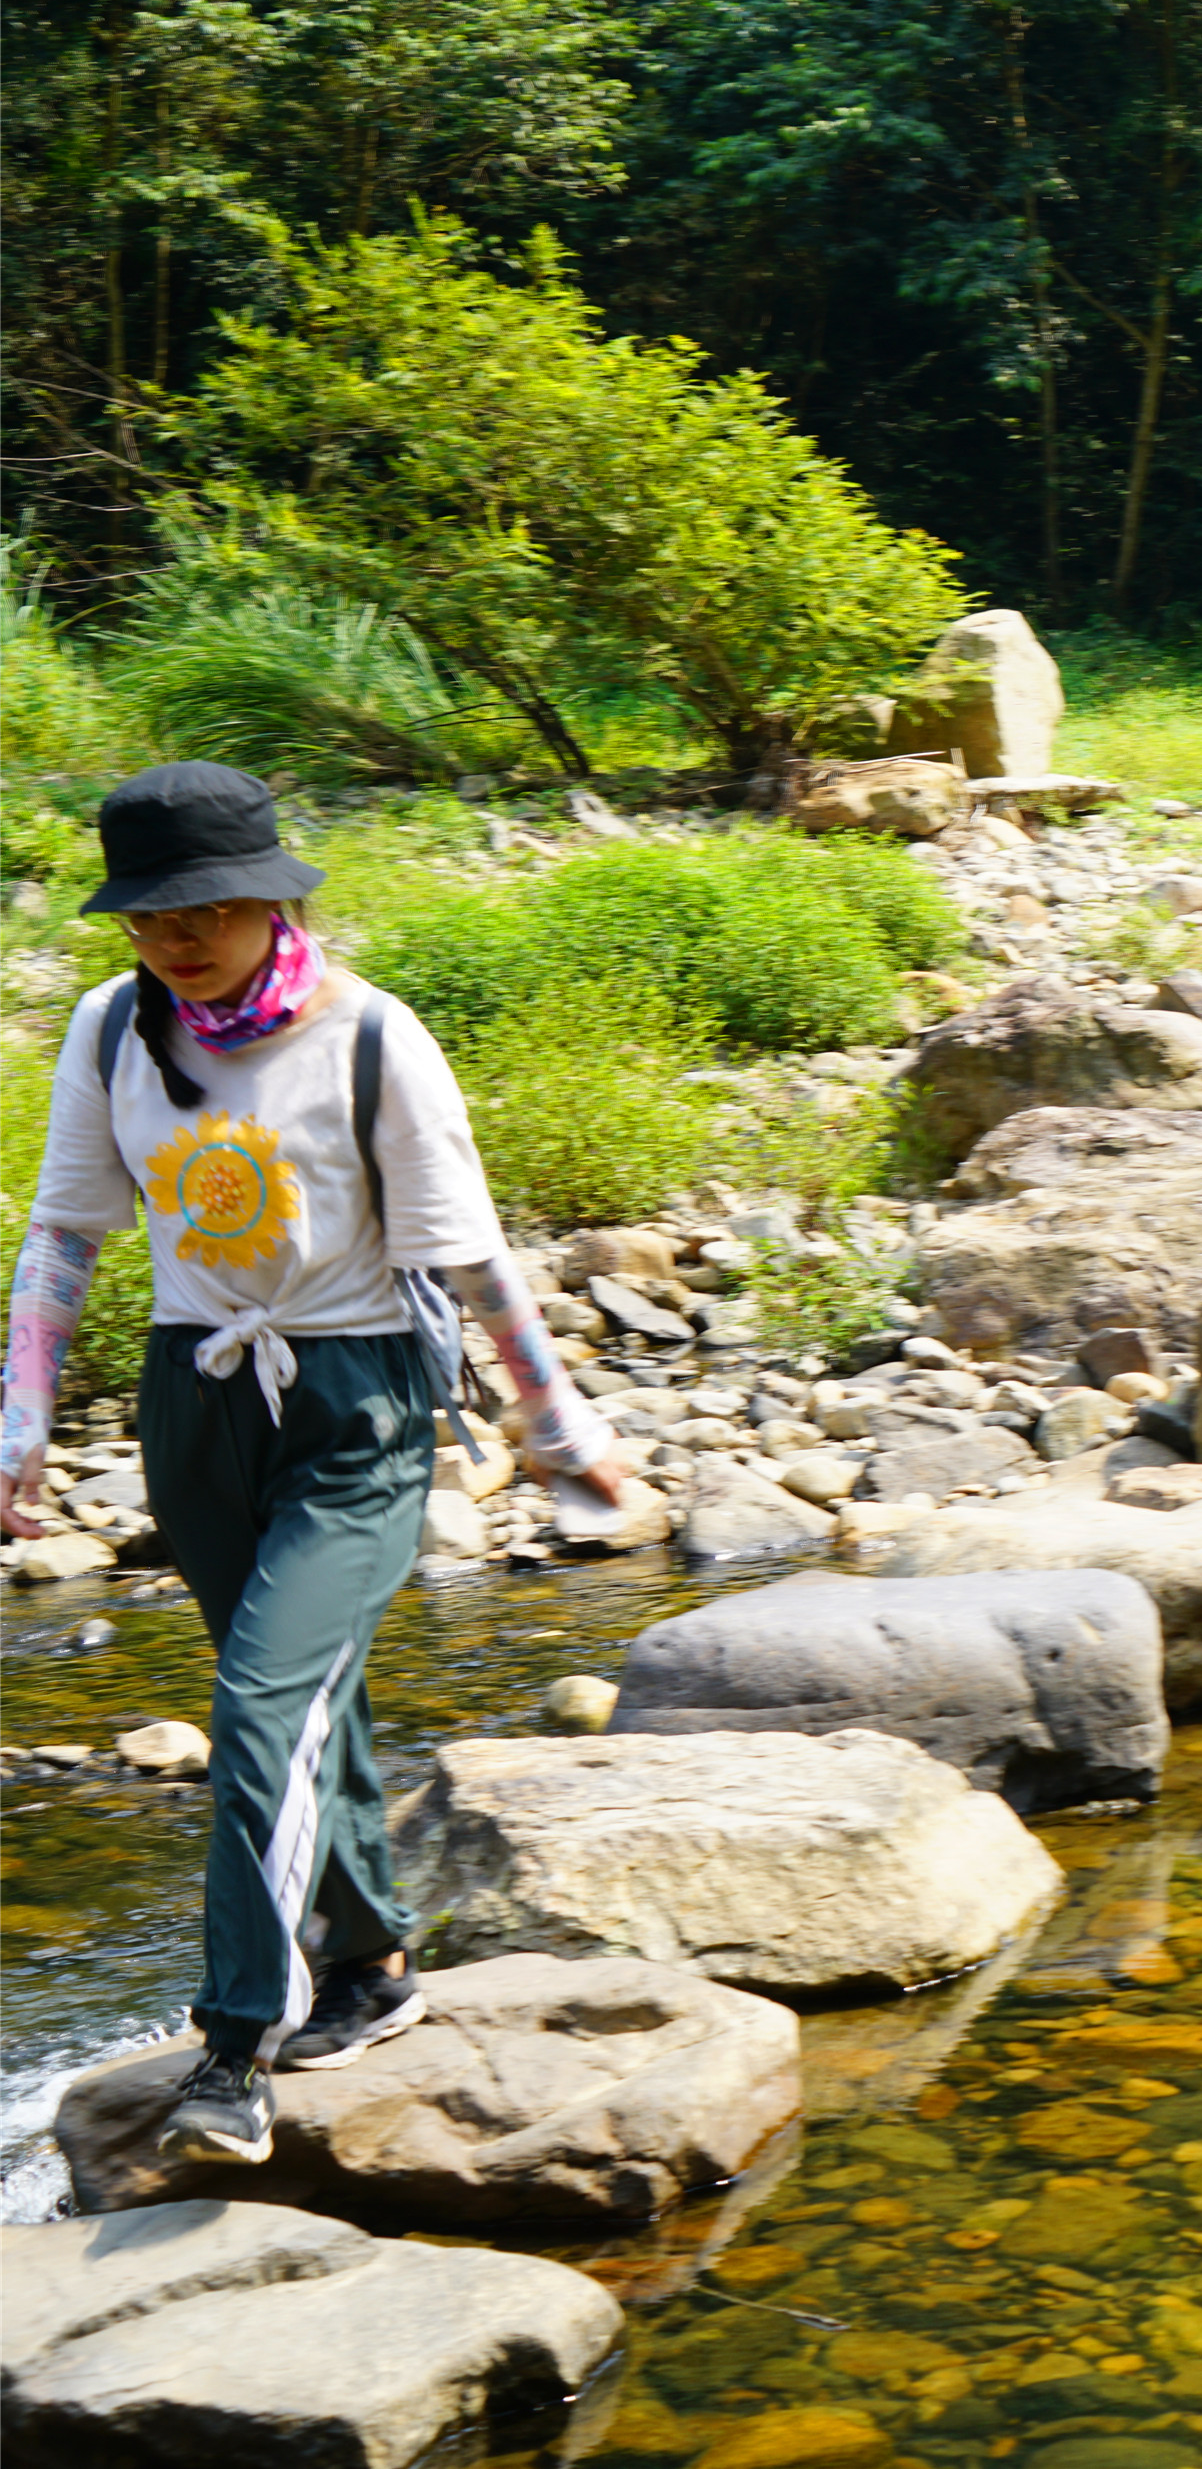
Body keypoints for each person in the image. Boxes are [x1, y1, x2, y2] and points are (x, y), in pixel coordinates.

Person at [2, 763, 654, 2167]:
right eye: (155, 913)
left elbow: (469, 1256)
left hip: (355, 1400)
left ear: (275, 898)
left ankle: (237, 2042)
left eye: (217, 906)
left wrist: (556, 1424)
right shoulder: (115, 1027)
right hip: (196, 1398)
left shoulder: (372, 1038)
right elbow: (62, 1239)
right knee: (305, 1711)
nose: (183, 937)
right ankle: (370, 1968)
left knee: (261, 1707)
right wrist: (23, 1420)